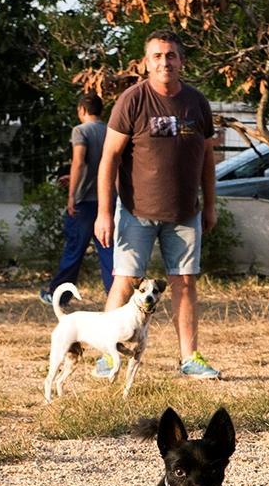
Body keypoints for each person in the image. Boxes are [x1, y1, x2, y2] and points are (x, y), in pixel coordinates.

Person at [93, 29, 221, 380]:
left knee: (185, 284)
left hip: (184, 214)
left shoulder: (197, 103)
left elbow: (208, 159)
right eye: (157, 56)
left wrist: (209, 205)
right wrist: (105, 212)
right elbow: (109, 159)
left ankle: (190, 359)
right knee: (125, 280)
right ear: (145, 63)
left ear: (181, 61)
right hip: (136, 213)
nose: (165, 61)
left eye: (171, 55)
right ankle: (108, 356)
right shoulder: (132, 101)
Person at [39, 94, 114, 308]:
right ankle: (115, 296)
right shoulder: (110, 130)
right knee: (109, 252)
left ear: (82, 109)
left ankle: (58, 296)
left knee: (74, 251)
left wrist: (72, 195)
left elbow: (79, 163)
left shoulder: (80, 131)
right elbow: (105, 164)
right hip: (107, 201)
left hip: (85, 202)